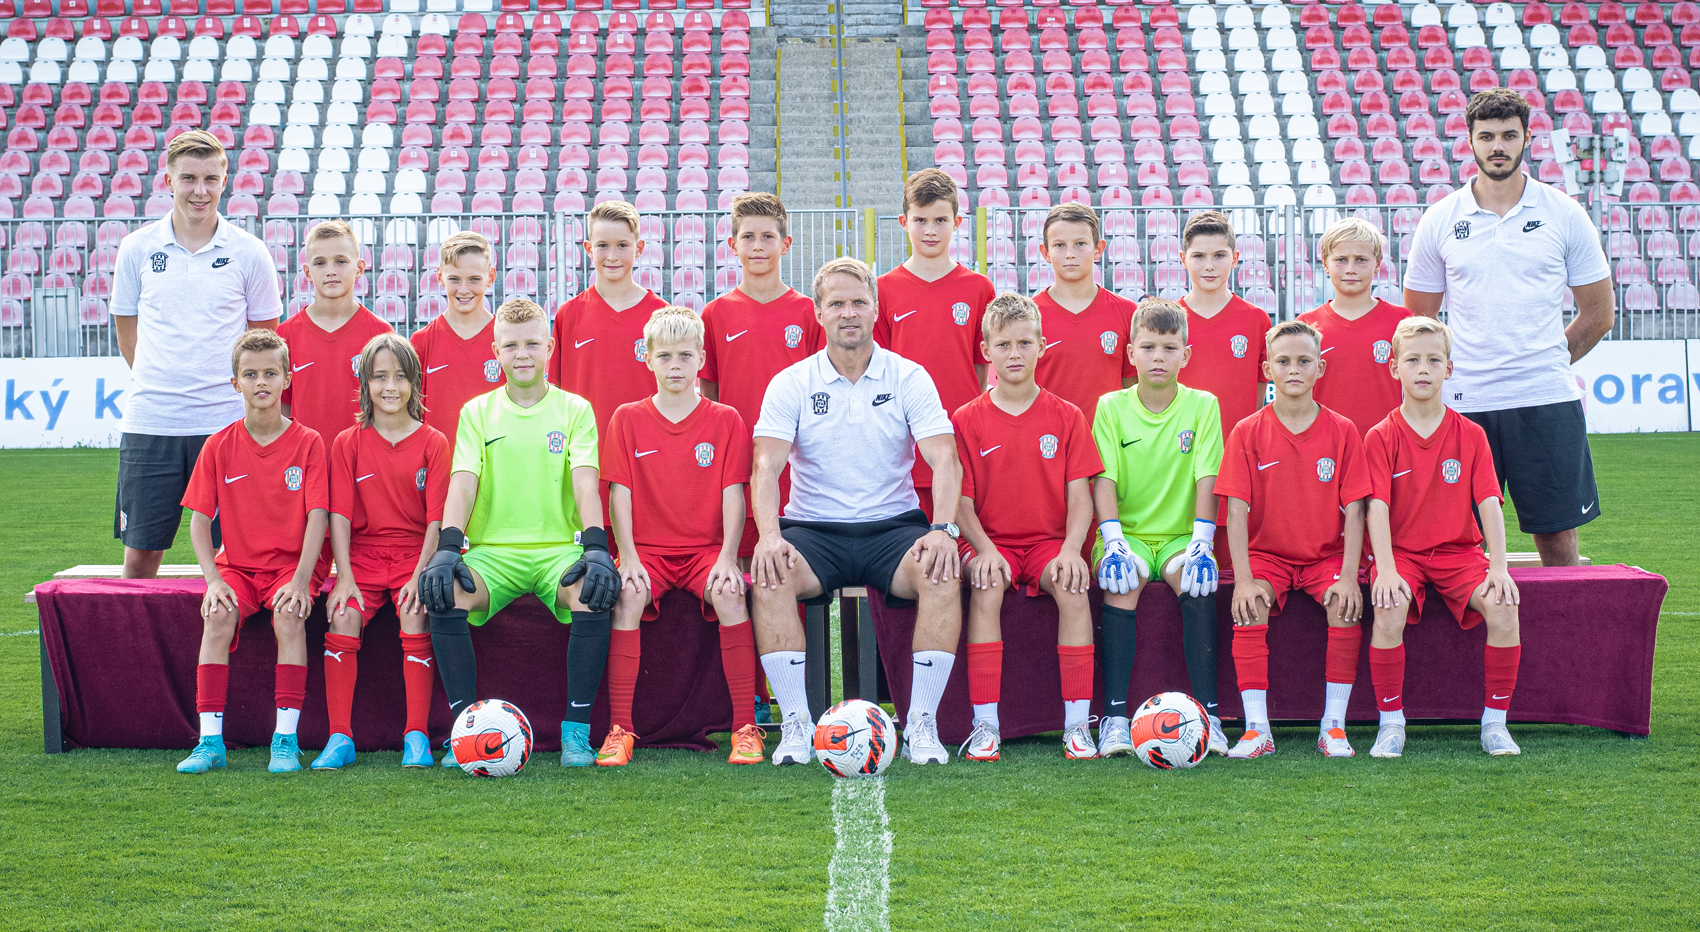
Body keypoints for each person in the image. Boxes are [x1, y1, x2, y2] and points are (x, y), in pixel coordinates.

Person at [750, 257, 965, 767]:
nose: (849, 313)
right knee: (769, 575)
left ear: (875, 309)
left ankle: (922, 726)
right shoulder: (792, 382)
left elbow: (945, 459)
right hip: (814, 529)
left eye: (859, 302)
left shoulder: (909, 376)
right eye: (837, 304)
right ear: (819, 314)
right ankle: (797, 727)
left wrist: (942, 530)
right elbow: (765, 468)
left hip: (893, 529)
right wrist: (768, 536)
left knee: (941, 570)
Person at [1402, 86, 1615, 567]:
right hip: (1465, 402)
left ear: (1527, 139)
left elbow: (1599, 314)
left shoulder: (1564, 213)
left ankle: (1559, 645)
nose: (1498, 145)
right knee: (1461, 548)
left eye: (1508, 135)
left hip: (1546, 398)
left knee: (1558, 546)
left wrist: (1544, 359)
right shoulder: (1440, 219)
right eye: (1487, 136)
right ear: (1471, 142)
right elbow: (1418, 321)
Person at [417, 299, 622, 768]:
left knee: (591, 595)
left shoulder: (575, 409)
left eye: (532, 343)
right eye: (511, 345)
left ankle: (575, 734)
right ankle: (463, 733)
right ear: (496, 351)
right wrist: (449, 548)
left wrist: (596, 545)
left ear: (550, 347)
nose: (522, 353)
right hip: (494, 553)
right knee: (444, 594)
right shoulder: (477, 412)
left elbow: (586, 481)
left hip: (558, 551)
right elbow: (463, 482)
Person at [110, 129, 282, 579]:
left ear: (226, 179)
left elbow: (264, 346)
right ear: (168, 180)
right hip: (152, 422)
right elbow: (127, 333)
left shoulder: (250, 252)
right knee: (141, 556)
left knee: (243, 556)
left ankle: (240, 651)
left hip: (226, 424)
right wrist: (162, 379)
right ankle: (143, 652)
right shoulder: (137, 248)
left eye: (210, 178)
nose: (199, 191)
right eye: (188, 178)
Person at [603, 307, 764, 767]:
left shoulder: (726, 419)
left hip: (706, 552)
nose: (676, 365)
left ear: (701, 359)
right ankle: (621, 730)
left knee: (731, 596)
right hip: (648, 552)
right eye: (666, 356)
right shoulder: (627, 418)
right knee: (627, 597)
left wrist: (729, 558)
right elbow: (621, 494)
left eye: (685, 356)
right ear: (648, 359)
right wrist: (628, 557)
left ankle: (743, 728)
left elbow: (734, 494)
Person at [952, 295, 1103, 762]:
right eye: (1003, 344)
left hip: (1047, 544)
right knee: (988, 585)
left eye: (1024, 342)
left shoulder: (1067, 415)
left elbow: (1081, 494)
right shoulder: (966, 418)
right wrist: (983, 549)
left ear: (1042, 346)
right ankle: (985, 725)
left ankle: (1077, 725)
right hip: (986, 541)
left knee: (1074, 588)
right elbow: (959, 501)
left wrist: (1073, 549)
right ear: (986, 351)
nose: (1014, 353)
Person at [1365, 318, 1524, 759]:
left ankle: (1495, 723)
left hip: (1459, 553)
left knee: (1504, 605)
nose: (1423, 368)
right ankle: (1391, 723)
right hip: (1401, 554)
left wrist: (1498, 567)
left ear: (1448, 369)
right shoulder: (1380, 436)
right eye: (1412, 359)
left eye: (1433, 360)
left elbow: (1490, 501)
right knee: (1389, 605)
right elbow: (1375, 506)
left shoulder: (1471, 435)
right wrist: (1387, 569)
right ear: (1394, 368)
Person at [175, 330, 329, 775]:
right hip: (237, 567)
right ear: (235, 382)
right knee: (217, 615)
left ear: (287, 379)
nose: (260, 382)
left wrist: (302, 580)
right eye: (250, 374)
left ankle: (285, 740)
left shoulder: (308, 442)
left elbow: (318, 516)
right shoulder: (219, 445)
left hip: (291, 567)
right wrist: (213, 581)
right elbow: (200, 522)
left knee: (288, 615)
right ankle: (210, 742)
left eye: (270, 373)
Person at [1217, 321, 1372, 760]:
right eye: (1283, 362)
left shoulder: (1343, 431)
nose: (1293, 370)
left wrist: (1346, 576)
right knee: (1248, 610)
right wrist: (1244, 579)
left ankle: (1334, 727)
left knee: (1346, 606)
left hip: (1326, 556)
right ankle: (1256, 729)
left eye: (1304, 361)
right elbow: (1235, 510)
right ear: (1267, 368)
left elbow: (1356, 509)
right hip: (1268, 557)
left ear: (1320, 367)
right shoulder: (1247, 431)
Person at [1092, 298, 1228, 759]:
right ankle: (1113, 718)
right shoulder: (1110, 406)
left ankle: (1210, 715)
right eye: (1148, 347)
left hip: (1179, 537)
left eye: (1169, 348)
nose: (1157, 357)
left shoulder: (1204, 406)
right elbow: (1104, 479)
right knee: (1122, 582)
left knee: (1197, 584)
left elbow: (1208, 479)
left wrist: (1203, 544)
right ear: (1130, 352)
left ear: (1186, 355)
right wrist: (1112, 542)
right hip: (1124, 534)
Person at [313, 333, 451, 771]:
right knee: (342, 614)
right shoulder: (347, 443)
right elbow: (339, 517)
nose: (390, 387)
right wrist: (345, 576)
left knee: (415, 611)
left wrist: (419, 575)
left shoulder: (434, 442)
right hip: (364, 557)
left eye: (399, 377)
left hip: (415, 554)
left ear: (414, 383)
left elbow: (436, 520)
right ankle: (340, 737)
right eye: (379, 377)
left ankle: (416, 736)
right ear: (365, 385)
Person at [700, 192, 825, 562]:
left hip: (795, 462)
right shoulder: (716, 313)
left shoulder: (807, 313)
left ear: (785, 244)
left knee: (791, 569)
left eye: (768, 237)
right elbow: (710, 397)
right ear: (732, 244)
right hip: (737, 462)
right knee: (738, 570)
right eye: (748, 237)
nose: (758, 247)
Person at [873, 168, 995, 519]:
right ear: (903, 221)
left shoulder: (978, 288)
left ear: (956, 222)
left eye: (940, 220)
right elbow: (880, 366)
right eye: (920, 220)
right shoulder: (883, 289)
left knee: (964, 533)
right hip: (902, 433)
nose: (930, 230)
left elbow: (980, 364)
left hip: (960, 431)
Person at [548, 199, 670, 441]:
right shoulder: (569, 314)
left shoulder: (661, 315)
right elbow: (556, 393)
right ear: (588, 248)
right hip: (585, 453)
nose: (612, 256)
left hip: (645, 449)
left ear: (639, 248)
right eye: (603, 245)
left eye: (622, 245)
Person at [276, 220, 393, 442]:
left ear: (359, 268)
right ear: (308, 272)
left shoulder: (380, 333)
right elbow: (281, 404)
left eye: (340, 261)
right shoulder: (286, 335)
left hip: (362, 463)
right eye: (320, 263)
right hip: (305, 463)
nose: (330, 271)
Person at [1296, 218, 1414, 437]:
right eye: (1341, 259)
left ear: (1377, 264)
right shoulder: (1306, 325)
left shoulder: (1402, 321)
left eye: (1360, 260)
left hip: (1387, 445)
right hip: (1326, 446)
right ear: (1325, 263)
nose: (1350, 269)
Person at [1031, 202, 1138, 423]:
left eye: (1080, 244)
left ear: (1098, 248)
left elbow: (1133, 388)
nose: (1070, 254)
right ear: (1045, 252)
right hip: (1048, 442)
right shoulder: (1030, 316)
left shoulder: (1127, 312)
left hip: (1107, 443)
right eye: (1059, 245)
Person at [1175, 210, 1270, 435]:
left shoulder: (1256, 320)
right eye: (1198, 256)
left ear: (1235, 259)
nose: (1209, 266)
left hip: (1237, 448)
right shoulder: (1170, 320)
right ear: (1183, 259)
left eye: (1219, 255)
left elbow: (1258, 393)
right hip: (1179, 451)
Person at [409, 231, 504, 448]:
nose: (463, 289)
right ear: (440, 276)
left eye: (474, 279)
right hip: (440, 470)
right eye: (454, 279)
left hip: (495, 471)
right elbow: (411, 416)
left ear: (491, 277)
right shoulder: (422, 341)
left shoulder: (506, 339)